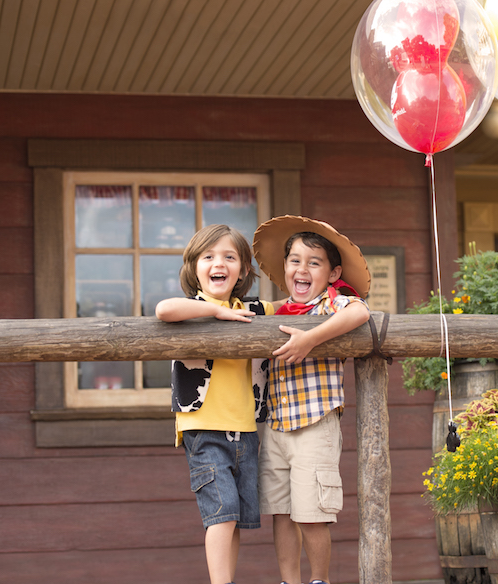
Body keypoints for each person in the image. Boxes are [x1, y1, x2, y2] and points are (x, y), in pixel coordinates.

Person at [252, 215, 371, 584]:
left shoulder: (331, 305)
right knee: (282, 512)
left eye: (314, 263)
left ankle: (320, 580)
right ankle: (290, 581)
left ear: (333, 273)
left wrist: (310, 339)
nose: (302, 269)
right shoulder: (278, 310)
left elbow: (361, 310)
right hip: (276, 426)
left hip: (314, 424)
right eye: (295, 261)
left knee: (312, 514)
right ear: (285, 267)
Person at [155, 224, 274, 584]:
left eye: (229, 257)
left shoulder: (255, 309)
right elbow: (163, 309)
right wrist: (215, 312)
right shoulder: (192, 307)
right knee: (221, 513)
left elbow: (295, 307)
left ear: (243, 270)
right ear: (194, 268)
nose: (217, 263)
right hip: (203, 428)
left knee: (233, 515)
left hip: (247, 430)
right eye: (208, 257)